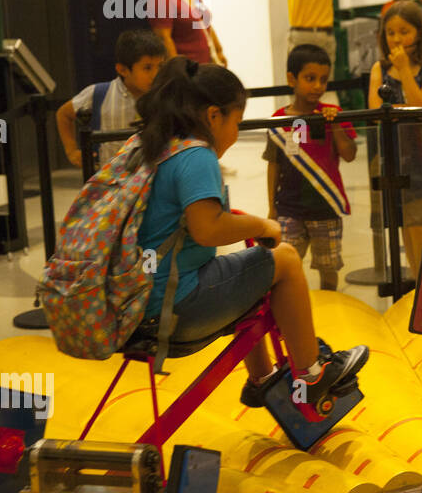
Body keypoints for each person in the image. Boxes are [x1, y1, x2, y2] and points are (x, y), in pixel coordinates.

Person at [134, 57, 368, 411]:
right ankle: (312, 373)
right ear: (213, 116)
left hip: (142, 304)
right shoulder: (197, 156)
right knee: (286, 260)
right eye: (236, 122)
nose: (236, 133)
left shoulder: (158, 145)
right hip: (176, 308)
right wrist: (261, 225)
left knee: (244, 271)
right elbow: (208, 228)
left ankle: (262, 379)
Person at [263, 44, 357, 293]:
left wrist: (335, 124)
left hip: (325, 208)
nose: (318, 86)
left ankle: (329, 312)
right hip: (289, 209)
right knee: (284, 266)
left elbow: (349, 155)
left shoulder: (333, 115)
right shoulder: (280, 120)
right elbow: (273, 165)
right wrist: (272, 206)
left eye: (323, 80)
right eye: (310, 78)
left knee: (328, 269)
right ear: (291, 79)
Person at [368, 1, 422, 273]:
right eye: (390, 32)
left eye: (403, 31)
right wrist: (399, 109)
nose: (396, 39)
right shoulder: (378, 69)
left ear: (419, 31)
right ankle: (416, 286)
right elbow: (375, 113)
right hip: (394, 158)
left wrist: (405, 70)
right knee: (405, 227)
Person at [58, 29, 166, 168]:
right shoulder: (98, 93)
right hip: (110, 181)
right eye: (147, 68)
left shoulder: (165, 96)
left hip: (152, 179)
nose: (156, 74)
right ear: (123, 70)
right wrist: (72, 151)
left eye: (160, 66)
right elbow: (64, 114)